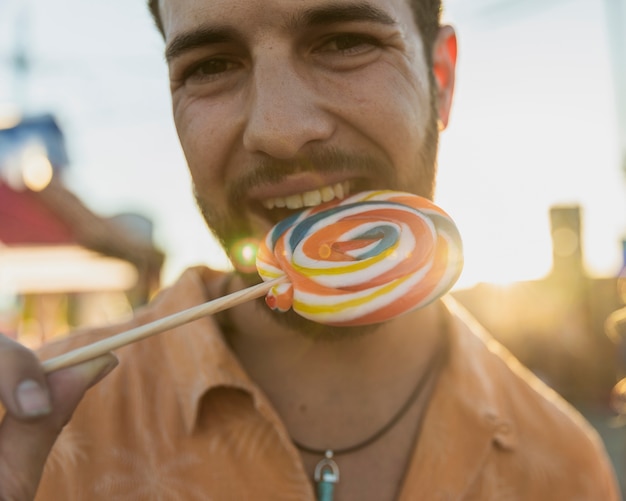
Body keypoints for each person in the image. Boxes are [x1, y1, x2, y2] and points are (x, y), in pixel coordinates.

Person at [0, 0, 620, 499]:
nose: (279, 129)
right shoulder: (39, 430)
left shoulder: (563, 468)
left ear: (441, 78)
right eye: (211, 65)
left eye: (344, 41)